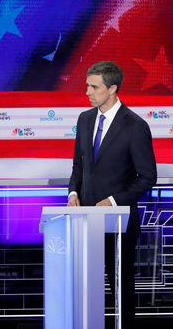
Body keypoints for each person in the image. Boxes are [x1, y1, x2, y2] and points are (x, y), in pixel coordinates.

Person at [67, 61, 157, 329]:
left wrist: (114, 201)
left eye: (94, 87)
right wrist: (73, 192)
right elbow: (79, 166)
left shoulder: (135, 126)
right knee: (85, 286)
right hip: (85, 221)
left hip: (119, 224)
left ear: (113, 88)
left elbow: (147, 178)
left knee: (120, 288)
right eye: (87, 85)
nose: (87, 92)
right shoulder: (84, 120)